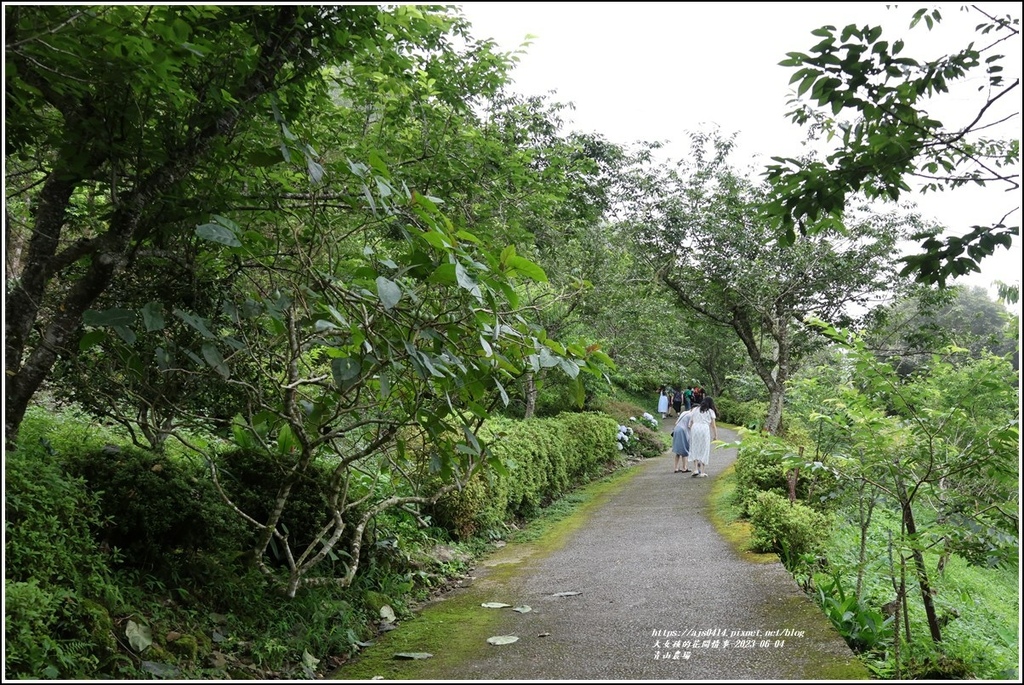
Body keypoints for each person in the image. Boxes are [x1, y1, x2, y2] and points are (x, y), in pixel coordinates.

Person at [688, 396, 718, 478]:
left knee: (695, 447)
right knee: (704, 448)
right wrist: (715, 436)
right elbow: (713, 425)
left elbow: (690, 423)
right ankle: (702, 471)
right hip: (704, 428)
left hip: (695, 428)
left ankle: (695, 469)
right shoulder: (710, 411)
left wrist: (692, 429)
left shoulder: (695, 409)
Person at [671, 403, 696, 473]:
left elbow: (676, 422)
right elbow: (689, 426)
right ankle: (684, 468)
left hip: (676, 429)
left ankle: (676, 468)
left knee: (677, 450)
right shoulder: (692, 415)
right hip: (682, 431)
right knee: (685, 449)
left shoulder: (685, 412)